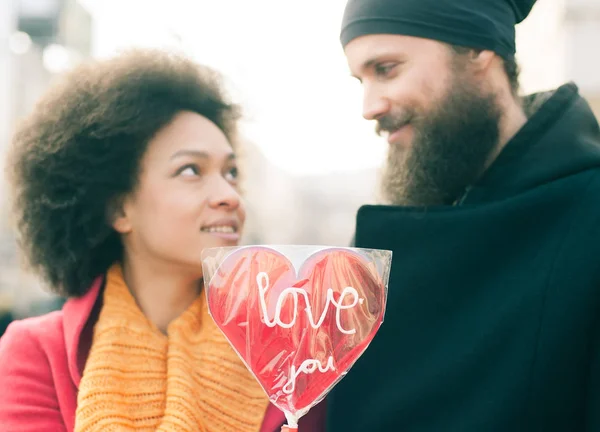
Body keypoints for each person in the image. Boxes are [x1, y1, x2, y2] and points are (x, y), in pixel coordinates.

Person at [0, 49, 326, 432]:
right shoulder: (36, 354)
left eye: (231, 171)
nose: (230, 195)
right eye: (191, 170)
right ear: (119, 209)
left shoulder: (292, 355)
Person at [326, 0, 600, 431]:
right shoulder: (407, 227)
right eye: (361, 79)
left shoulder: (589, 217)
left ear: (477, 49)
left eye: (387, 68)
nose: (369, 106)